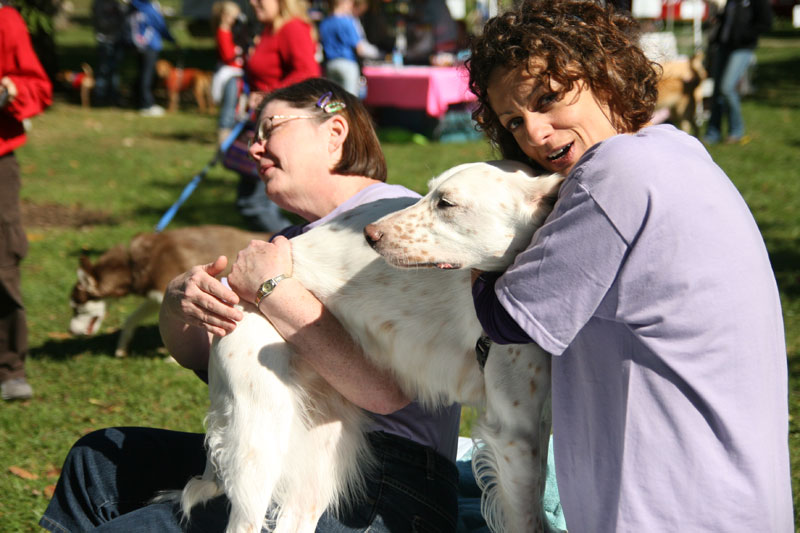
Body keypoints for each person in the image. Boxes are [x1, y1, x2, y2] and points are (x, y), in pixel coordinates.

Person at [39, 78, 461, 532]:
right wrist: (178, 304)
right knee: (95, 461)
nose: (254, 148)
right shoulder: (294, 241)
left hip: (389, 482)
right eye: (253, 135)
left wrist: (272, 289)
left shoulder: (398, 226)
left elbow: (382, 393)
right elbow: (207, 357)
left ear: (335, 132)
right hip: (284, 449)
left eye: (269, 128)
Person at [465, 0, 793, 531]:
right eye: (514, 122)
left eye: (549, 98)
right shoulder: (677, 151)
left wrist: (475, 261)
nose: (536, 133)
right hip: (734, 495)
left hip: (672, 508)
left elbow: (508, 319)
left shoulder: (614, 173)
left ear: (606, 75)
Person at [225, 0, 322, 232]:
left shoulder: (292, 28)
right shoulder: (270, 28)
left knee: (254, 203)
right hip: (263, 126)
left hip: (280, 130)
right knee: (253, 201)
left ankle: (293, 249)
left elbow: (308, 74)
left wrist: (270, 96)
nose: (252, 2)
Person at [0, 4, 52, 401]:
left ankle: (8, 367)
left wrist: (8, 89)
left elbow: (36, 86)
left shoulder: (7, 21)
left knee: (3, 261)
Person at [704, 0, 773, 144]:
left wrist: (745, 35)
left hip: (742, 48)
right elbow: (728, 20)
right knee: (716, 91)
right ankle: (712, 133)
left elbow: (766, 22)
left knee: (727, 88)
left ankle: (736, 131)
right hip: (723, 46)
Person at [319, 0, 380, 96]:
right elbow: (359, 48)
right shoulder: (348, 21)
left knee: (334, 100)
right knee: (350, 102)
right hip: (347, 65)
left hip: (330, 65)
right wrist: (377, 52)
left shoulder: (325, 23)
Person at [126, 0, 177, 116]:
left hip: (137, 45)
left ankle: (137, 100)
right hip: (150, 46)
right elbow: (161, 26)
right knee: (147, 75)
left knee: (141, 73)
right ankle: (146, 104)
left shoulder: (133, 7)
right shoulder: (149, 8)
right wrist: (172, 40)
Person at [211, 0, 248, 144]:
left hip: (236, 73)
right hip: (229, 75)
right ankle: (224, 139)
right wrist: (239, 51)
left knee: (236, 107)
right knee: (229, 106)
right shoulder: (223, 32)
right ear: (225, 16)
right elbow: (227, 55)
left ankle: (232, 136)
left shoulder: (232, 32)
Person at [91, 0, 127, 107]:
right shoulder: (99, 3)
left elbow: (124, 18)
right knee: (103, 68)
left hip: (117, 39)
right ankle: (100, 96)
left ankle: (114, 96)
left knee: (115, 69)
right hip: (104, 40)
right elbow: (101, 23)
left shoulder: (118, 3)